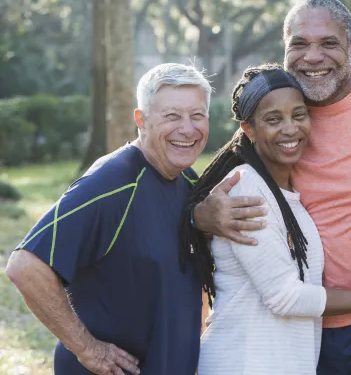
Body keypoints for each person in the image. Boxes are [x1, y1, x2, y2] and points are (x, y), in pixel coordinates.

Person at [190, 0, 351, 374]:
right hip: (304, 329)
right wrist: (200, 215)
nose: (312, 57)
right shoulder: (278, 117)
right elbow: (215, 184)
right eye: (299, 44)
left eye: (328, 43)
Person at [5, 63, 211, 374]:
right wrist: (87, 348)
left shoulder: (190, 183)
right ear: (141, 120)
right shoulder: (112, 184)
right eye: (172, 116)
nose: (187, 128)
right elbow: (25, 266)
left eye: (197, 116)